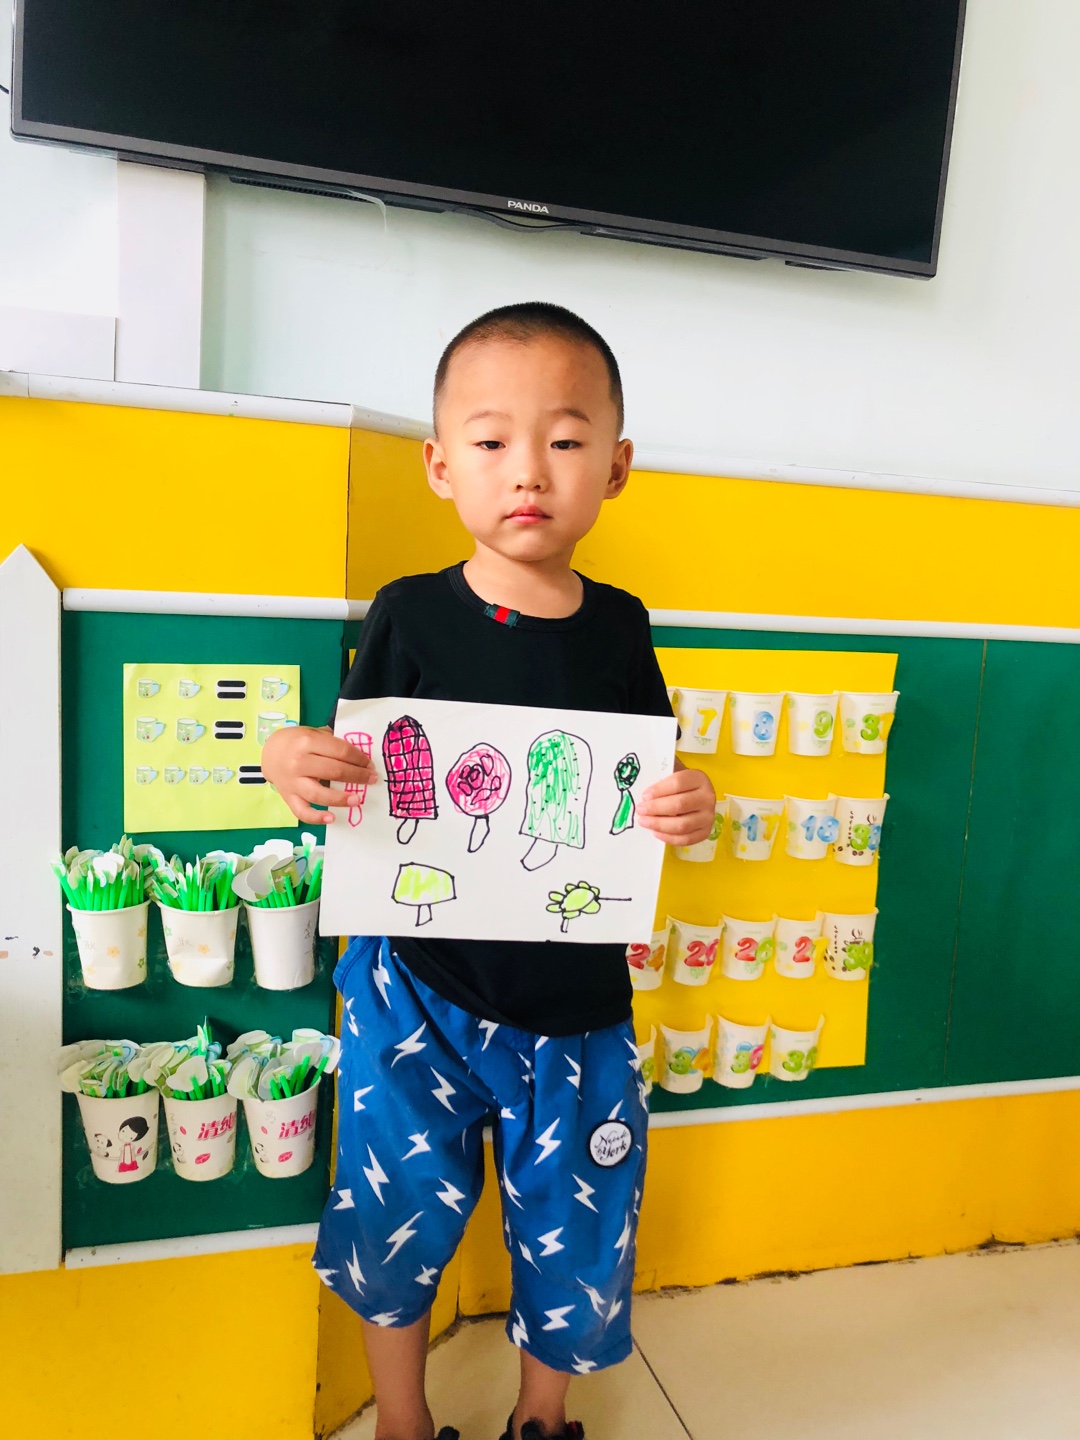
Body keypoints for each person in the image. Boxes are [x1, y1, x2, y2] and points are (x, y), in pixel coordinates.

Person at [262, 302, 716, 1440]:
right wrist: (288, 759)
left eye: (564, 440)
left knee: (579, 1216)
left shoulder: (622, 628)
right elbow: (352, 769)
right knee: (394, 1213)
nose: (529, 471)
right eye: (491, 440)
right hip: (412, 988)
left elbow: (646, 782)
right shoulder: (410, 613)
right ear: (439, 466)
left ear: (616, 467)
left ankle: (542, 1419)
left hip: (576, 1004)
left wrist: (687, 803)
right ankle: (401, 1420)